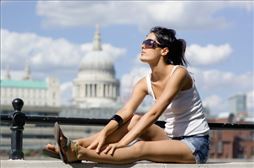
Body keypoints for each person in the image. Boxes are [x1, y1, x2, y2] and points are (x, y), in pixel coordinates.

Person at [44, 26, 210, 164]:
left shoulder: (179, 73)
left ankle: (79, 153)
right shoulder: (144, 82)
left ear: (164, 51)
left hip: (194, 144)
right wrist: (104, 133)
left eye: (149, 43)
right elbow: (126, 112)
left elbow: (154, 113)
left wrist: (122, 143)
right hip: (170, 139)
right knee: (134, 119)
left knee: (139, 147)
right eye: (143, 42)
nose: (142, 46)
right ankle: (73, 145)